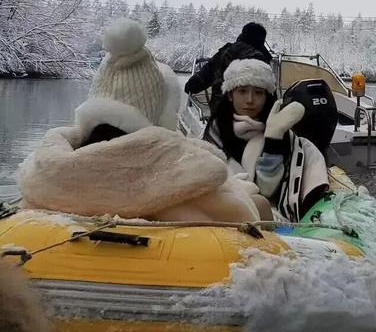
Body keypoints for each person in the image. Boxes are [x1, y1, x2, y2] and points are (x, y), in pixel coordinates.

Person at [18, 19, 271, 223]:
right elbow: (244, 215)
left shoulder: (43, 173)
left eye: (257, 93)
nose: (250, 100)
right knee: (258, 202)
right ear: (155, 106)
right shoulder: (183, 174)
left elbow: (200, 79)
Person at [207, 58, 330, 222]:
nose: (250, 100)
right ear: (230, 94)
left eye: (258, 92)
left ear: (267, 96)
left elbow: (266, 190)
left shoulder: (283, 132)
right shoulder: (214, 132)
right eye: (242, 91)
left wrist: (274, 137)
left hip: (268, 214)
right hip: (222, 212)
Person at [184, 22, 272, 109]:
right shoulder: (262, 60)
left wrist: (190, 86)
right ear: (261, 41)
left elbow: (206, 74)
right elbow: (270, 93)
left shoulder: (226, 52)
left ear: (243, 35)